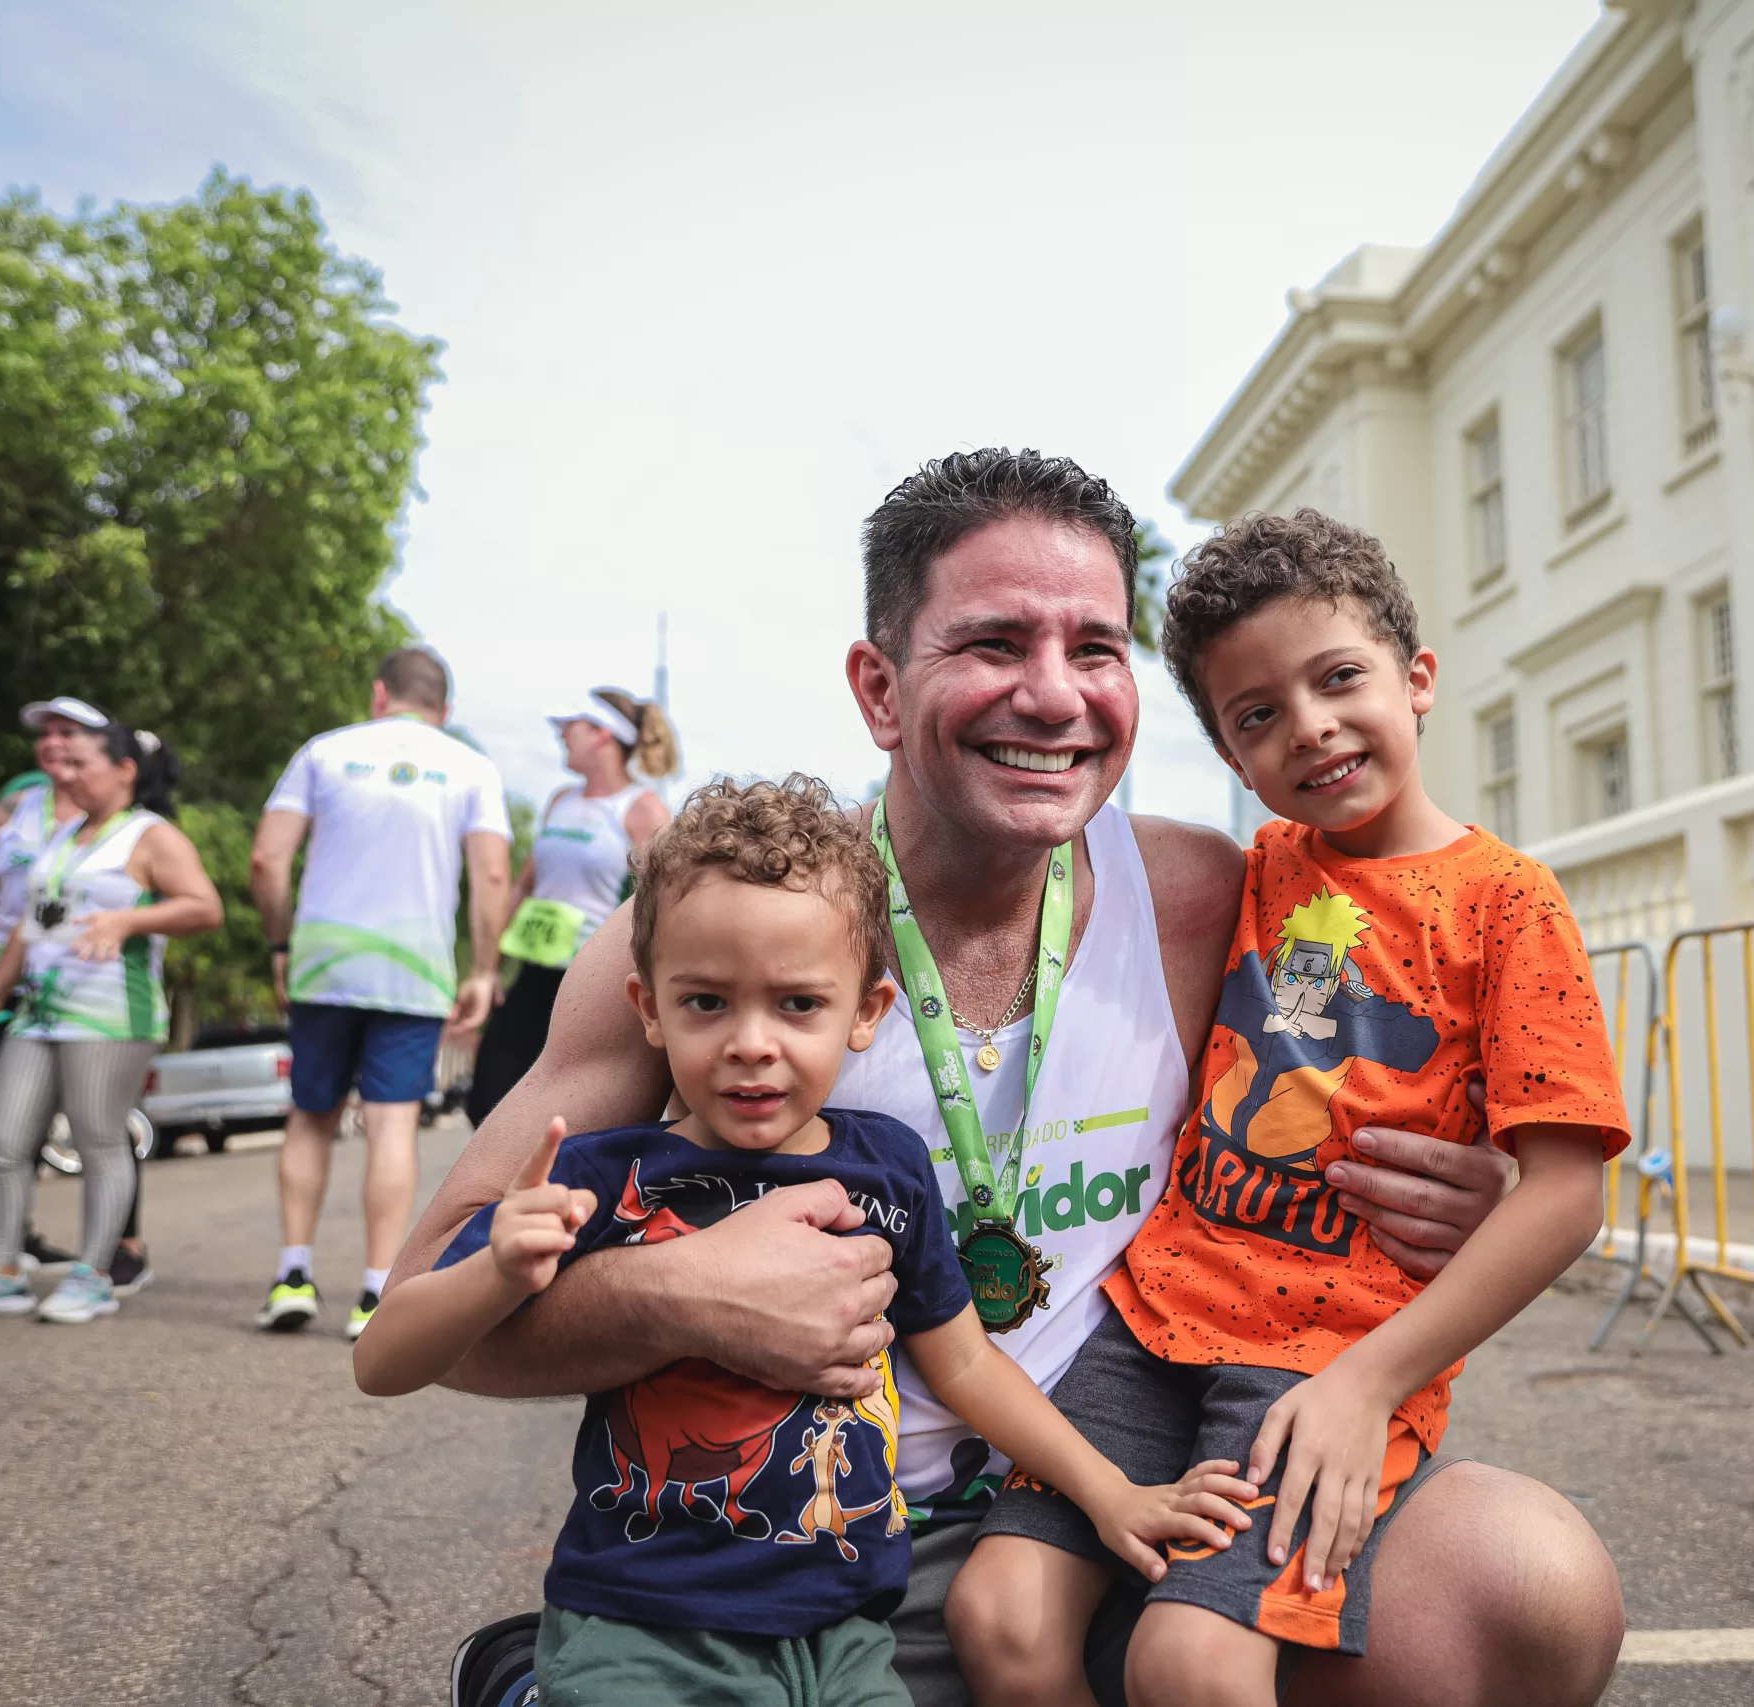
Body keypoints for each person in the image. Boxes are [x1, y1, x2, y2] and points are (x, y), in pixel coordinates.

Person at [394, 450, 1626, 1707]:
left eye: (1094, 649)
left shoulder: (1205, 896)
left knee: (1525, 1585)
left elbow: (1397, 1022)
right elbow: (431, 1304)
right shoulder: (719, 946)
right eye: (992, 643)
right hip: (814, 1556)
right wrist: (680, 1295)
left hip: (1134, 1498)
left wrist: (1470, 1188)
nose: (1052, 697)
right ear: (879, 687)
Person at [360, 776, 1255, 1705]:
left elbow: (969, 1368)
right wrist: (499, 1270)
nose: (752, 1042)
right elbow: (385, 1357)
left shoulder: (887, 1171)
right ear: (648, 1007)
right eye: (707, 1002)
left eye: (797, 1004)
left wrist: (1113, 1495)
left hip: (845, 1633)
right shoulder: (602, 1178)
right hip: (646, 1625)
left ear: (865, 1012)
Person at [945, 509, 1630, 1706]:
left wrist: (1370, 1383)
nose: (1307, 727)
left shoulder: (1506, 904)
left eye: (1338, 678)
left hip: (1323, 1362)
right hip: (1145, 1327)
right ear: (1229, 752)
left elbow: (1566, 1193)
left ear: (1416, 679)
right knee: (998, 1617)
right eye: (1256, 715)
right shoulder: (1253, 873)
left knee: (1192, 1662)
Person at [252, 645, 510, 1341]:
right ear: (444, 710)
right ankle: (374, 1292)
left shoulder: (324, 751)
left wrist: (281, 943)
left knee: (310, 1116)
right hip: (415, 969)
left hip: (324, 962)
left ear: (378, 694)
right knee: (391, 1123)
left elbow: (267, 859)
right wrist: (483, 968)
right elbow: (490, 878)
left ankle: (293, 1273)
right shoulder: (470, 767)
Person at [0, 721, 221, 1325]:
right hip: (38, 1010)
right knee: (2, 1142)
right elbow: (32, 920)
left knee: (98, 1138)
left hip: (112, 1013)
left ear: (124, 771)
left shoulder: (150, 836)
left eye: (80, 763)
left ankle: (93, 1275)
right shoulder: (64, 834)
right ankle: (3, 1269)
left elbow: (204, 907)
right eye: (61, 766)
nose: (65, 775)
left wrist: (126, 922)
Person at [0, 696, 156, 1287]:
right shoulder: (18, 807)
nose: (56, 743)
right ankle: (1, 1258)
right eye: (47, 733)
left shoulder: (131, 825)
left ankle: (111, 1256)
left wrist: (124, 925)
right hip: (17, 987)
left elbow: (190, 903)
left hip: (97, 997)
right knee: (2, 1129)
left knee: (97, 1124)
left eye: (70, 733)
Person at [464, 688, 675, 1128]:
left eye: (570, 726)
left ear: (601, 734)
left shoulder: (642, 809)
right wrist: (489, 969)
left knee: (569, 1117)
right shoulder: (562, 801)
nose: (561, 735)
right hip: (532, 971)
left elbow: (669, 903)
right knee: (486, 1098)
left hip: (593, 979)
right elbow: (525, 887)